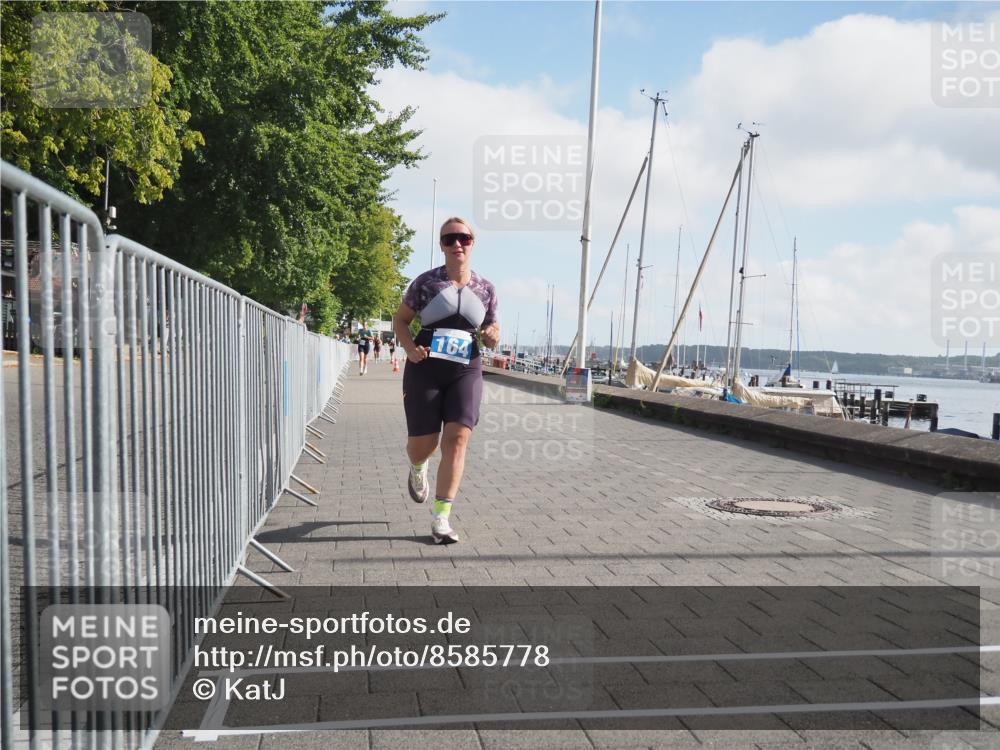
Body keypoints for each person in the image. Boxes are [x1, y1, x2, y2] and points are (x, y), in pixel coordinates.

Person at [392, 217, 499, 544]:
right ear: (441, 245)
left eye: (463, 238)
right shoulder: (426, 283)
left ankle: (441, 518)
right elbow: (400, 320)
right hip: (425, 366)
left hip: (466, 367)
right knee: (426, 444)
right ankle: (417, 466)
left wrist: (493, 336)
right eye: (450, 239)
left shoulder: (486, 288)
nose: (457, 244)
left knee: (457, 439)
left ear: (472, 243)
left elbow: (492, 331)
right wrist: (409, 350)